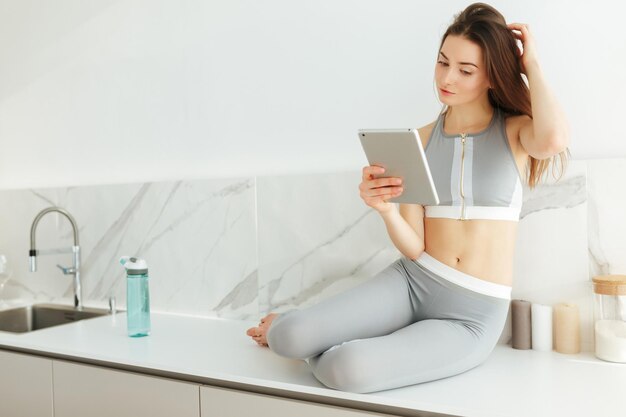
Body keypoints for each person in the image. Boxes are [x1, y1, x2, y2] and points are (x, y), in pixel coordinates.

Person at [246, 2, 569, 393]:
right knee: (287, 338)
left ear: (491, 77)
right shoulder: (418, 140)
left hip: (472, 314)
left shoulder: (517, 132)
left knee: (346, 370)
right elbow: (415, 247)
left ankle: (343, 347)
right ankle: (307, 332)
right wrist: (385, 210)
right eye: (442, 62)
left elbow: (553, 140)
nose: (447, 78)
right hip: (412, 281)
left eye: (466, 70)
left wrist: (530, 63)